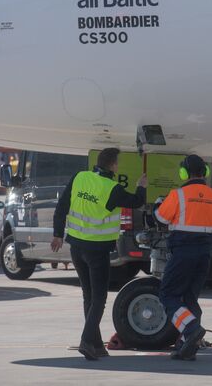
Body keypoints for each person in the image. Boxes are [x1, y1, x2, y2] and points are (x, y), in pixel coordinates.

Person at [51, 147, 147, 360]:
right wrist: (141, 187)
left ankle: (95, 344)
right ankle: (86, 341)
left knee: (89, 296)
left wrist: (57, 234)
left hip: (76, 247)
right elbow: (137, 202)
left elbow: (62, 206)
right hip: (97, 249)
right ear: (113, 165)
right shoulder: (112, 188)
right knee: (99, 298)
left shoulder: (80, 177)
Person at [155, 155, 212, 361]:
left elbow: (160, 218)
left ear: (184, 173)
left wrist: (160, 204)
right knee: (190, 297)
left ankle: (192, 328)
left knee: (168, 295)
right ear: (205, 173)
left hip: (183, 252)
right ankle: (187, 347)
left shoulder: (179, 195)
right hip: (204, 254)